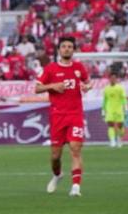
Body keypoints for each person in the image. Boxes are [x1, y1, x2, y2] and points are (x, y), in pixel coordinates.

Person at [36, 36, 92, 196]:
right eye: (64, 46)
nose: (67, 49)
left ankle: (75, 187)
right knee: (55, 156)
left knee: (75, 149)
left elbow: (88, 82)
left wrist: (87, 86)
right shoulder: (50, 69)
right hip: (57, 117)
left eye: (69, 46)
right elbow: (37, 88)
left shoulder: (79, 67)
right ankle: (57, 175)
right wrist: (53, 85)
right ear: (59, 50)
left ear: (73, 50)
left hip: (75, 115)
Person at [101, 70, 128, 149]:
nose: (112, 80)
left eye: (114, 78)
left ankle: (119, 139)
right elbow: (105, 100)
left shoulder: (120, 88)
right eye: (111, 78)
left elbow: (124, 99)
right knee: (110, 125)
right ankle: (112, 141)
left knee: (120, 127)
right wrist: (103, 111)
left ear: (116, 79)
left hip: (119, 109)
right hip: (109, 110)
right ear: (109, 79)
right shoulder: (106, 89)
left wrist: (125, 108)